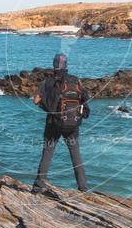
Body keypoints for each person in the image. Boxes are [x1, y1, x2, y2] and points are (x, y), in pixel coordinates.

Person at [32, 53, 90, 192]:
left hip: (53, 124)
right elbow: (85, 99)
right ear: (66, 65)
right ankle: (83, 187)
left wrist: (45, 104)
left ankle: (38, 187)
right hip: (72, 125)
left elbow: (36, 100)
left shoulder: (48, 81)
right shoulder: (75, 81)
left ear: (53, 65)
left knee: (47, 153)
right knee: (76, 155)